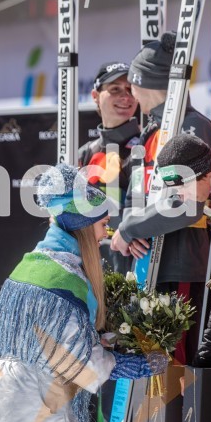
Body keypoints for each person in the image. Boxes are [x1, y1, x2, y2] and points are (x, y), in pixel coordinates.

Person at [0, 164, 165, 422]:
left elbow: (52, 344)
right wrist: (139, 365)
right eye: (102, 222)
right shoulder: (64, 280)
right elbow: (83, 365)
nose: (107, 229)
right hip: (39, 406)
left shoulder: (36, 262)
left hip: (12, 394)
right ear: (82, 224)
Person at [110, 31, 211, 365]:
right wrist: (130, 231)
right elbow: (135, 197)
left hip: (180, 266)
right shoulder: (151, 132)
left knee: (173, 370)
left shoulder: (192, 127)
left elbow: (187, 203)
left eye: (133, 87)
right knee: (148, 372)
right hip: (146, 267)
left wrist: (130, 229)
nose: (132, 96)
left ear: (147, 84)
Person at [77, 61, 139, 274]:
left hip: (131, 262)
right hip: (92, 262)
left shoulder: (146, 145)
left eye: (130, 90)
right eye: (115, 90)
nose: (125, 97)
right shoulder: (86, 152)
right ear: (96, 96)